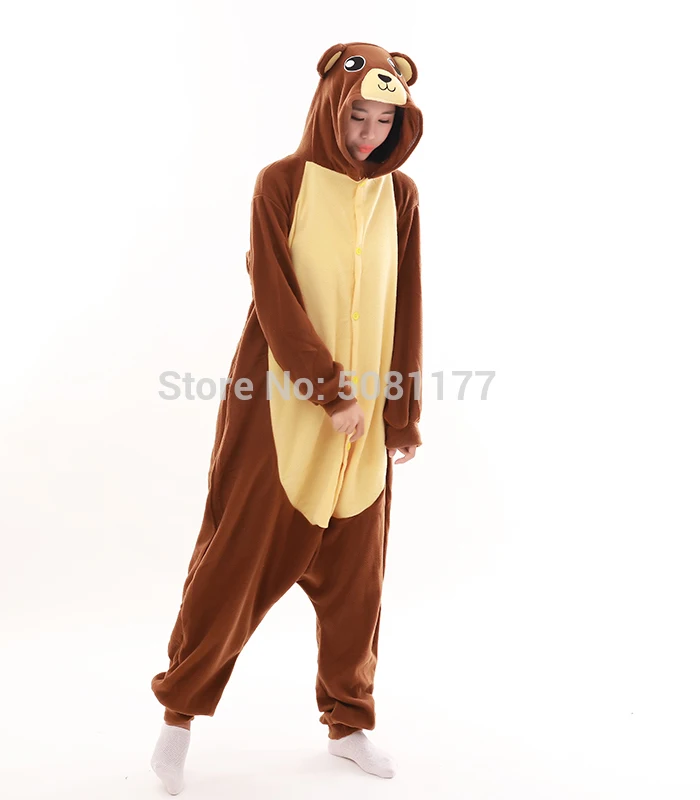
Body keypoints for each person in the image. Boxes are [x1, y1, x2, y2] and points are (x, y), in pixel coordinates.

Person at [149, 41, 424, 794]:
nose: (368, 134)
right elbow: (274, 296)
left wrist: (400, 412)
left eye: (385, 121)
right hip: (279, 412)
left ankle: (349, 723)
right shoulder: (282, 183)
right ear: (330, 105)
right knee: (233, 568)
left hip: (363, 430)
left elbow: (406, 305)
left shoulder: (400, 195)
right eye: (358, 116)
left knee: (357, 584)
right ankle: (177, 718)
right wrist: (331, 392)